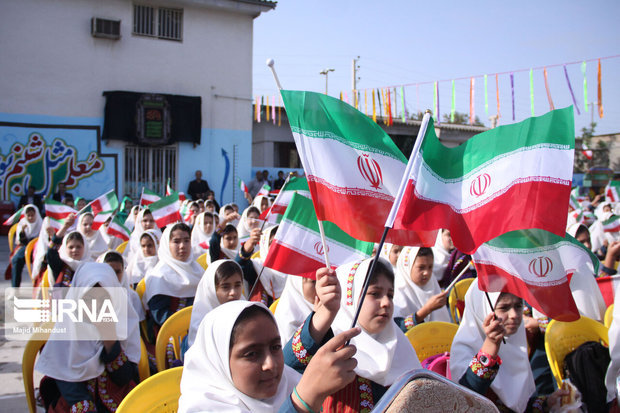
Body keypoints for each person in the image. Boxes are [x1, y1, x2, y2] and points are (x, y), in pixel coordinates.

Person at [284, 259, 421, 411]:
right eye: (375, 293)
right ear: (349, 299)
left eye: (390, 295)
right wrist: (325, 313)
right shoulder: (329, 345)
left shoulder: (401, 350)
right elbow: (289, 366)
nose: (386, 303)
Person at [178, 301, 361, 413]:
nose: (270, 364)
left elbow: (291, 361)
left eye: (275, 347)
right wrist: (301, 403)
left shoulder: (286, 382)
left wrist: (321, 319)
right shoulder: (203, 407)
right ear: (219, 363)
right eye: (251, 354)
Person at [36, 262, 141, 413]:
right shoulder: (68, 325)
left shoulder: (124, 322)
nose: (96, 305)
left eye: (104, 297)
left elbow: (124, 378)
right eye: (89, 298)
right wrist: (83, 404)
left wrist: (110, 341)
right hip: (76, 403)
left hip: (118, 399)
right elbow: (62, 375)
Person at [449, 279, 566, 412]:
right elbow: (467, 400)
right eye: (504, 308)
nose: (514, 315)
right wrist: (490, 349)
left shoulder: (517, 343)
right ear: (483, 310)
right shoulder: (464, 349)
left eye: (518, 306)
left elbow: (519, 407)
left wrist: (547, 403)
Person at [144, 223, 203, 330]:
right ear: (167, 244)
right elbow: (161, 316)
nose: (182, 246)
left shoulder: (198, 270)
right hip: (173, 333)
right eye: (176, 241)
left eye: (186, 240)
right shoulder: (159, 276)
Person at [186, 259, 245, 347]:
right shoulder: (201, 326)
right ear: (212, 289)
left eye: (237, 285)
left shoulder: (246, 313)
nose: (233, 292)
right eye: (225, 287)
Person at [393, 247, 451, 327]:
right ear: (407, 267)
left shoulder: (433, 288)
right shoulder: (397, 294)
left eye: (430, 267)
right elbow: (399, 328)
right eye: (421, 267)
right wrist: (426, 310)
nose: (426, 273)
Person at [46, 214, 91, 287]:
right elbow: (51, 251)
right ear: (64, 248)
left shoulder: (90, 266)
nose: (74, 250)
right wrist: (65, 227)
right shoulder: (60, 265)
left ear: (85, 248)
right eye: (71, 247)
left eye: (78, 247)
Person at [274, 275, 316, 345]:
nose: (321, 285)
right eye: (313, 281)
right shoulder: (288, 320)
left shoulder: (334, 304)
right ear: (297, 283)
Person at [10, 204, 42, 287]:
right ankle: (15, 287)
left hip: (38, 248)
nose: (31, 218)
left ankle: (39, 287)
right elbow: (21, 241)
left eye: (32, 215)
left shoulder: (41, 223)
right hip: (25, 247)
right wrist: (23, 231)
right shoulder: (22, 223)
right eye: (28, 216)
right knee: (16, 260)